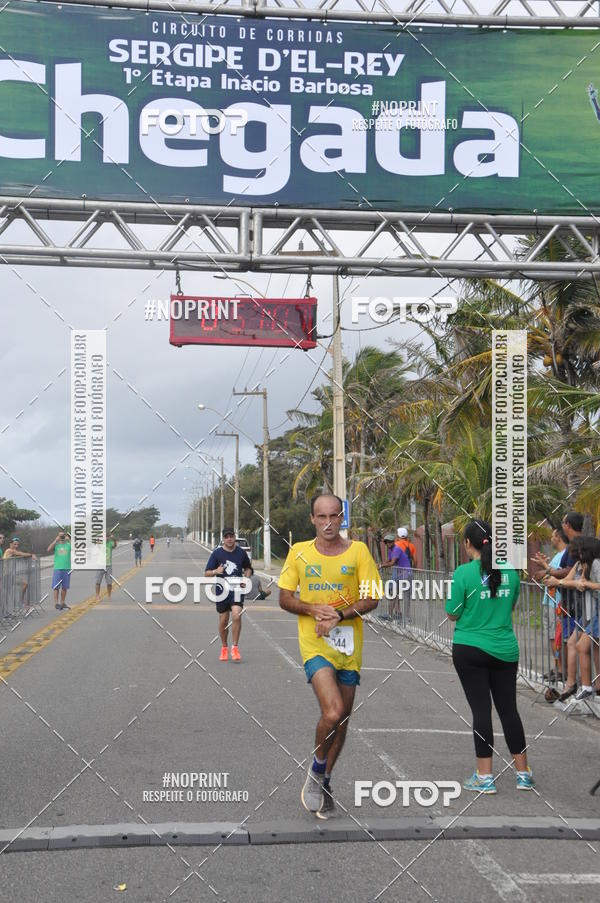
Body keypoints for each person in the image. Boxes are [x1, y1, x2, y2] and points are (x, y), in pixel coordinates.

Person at [278, 493, 381, 819]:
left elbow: (373, 598)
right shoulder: (300, 552)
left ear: (342, 518)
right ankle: (317, 768)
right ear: (312, 519)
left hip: (348, 648)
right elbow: (284, 597)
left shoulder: (359, 551)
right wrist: (311, 608)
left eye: (334, 516)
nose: (328, 523)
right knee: (333, 712)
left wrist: (341, 614)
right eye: (321, 517)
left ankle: (323, 780)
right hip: (315, 644)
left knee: (343, 721)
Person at [445, 519, 533, 794]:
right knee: (509, 711)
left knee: (481, 710)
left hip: (470, 648)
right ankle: (523, 774)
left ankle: (485, 777)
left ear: (468, 544)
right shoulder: (512, 573)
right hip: (505, 649)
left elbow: (453, 612)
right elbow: (511, 606)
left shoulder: (463, 574)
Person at [545, 537, 600, 702]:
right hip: (591, 611)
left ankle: (587, 687)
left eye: (580, 551)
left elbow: (590, 584)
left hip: (594, 610)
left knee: (583, 646)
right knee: (581, 645)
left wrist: (586, 584)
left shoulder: (596, 563)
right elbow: (571, 580)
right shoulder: (584, 564)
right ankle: (585, 686)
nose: (577, 555)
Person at [205, 527, 251, 662]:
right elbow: (206, 573)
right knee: (223, 620)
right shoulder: (217, 554)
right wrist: (215, 571)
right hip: (222, 591)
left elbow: (248, 568)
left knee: (237, 615)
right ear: (223, 539)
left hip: (237, 590)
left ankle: (235, 648)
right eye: (227, 537)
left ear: (234, 537)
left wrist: (246, 579)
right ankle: (224, 647)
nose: (229, 539)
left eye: (231, 536)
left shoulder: (241, 553)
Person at [533, 526, 568, 682]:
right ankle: (557, 668)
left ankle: (562, 670)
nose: (551, 539)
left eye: (553, 536)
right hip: (549, 600)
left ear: (559, 537)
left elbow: (559, 574)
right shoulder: (557, 555)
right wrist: (544, 565)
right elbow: (553, 571)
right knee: (551, 637)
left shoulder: (564, 555)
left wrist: (546, 571)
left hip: (557, 602)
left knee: (556, 636)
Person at [379, 533, 410, 620]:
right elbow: (388, 560)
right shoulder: (391, 550)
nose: (387, 544)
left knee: (397, 594)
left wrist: (381, 566)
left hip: (405, 574)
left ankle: (400, 616)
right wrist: (380, 564)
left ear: (393, 542)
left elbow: (392, 563)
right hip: (399, 574)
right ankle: (397, 613)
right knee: (394, 594)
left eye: (389, 542)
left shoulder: (396, 549)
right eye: (386, 542)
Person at [2, 537, 38, 609]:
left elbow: (21, 554)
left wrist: (28, 556)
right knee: (6, 595)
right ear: (10, 544)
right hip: (6, 575)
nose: (16, 546)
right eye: (14, 544)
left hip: (10, 575)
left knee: (24, 583)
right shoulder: (9, 550)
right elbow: (20, 553)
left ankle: (19, 603)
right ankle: (5, 612)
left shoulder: (13, 551)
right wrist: (31, 555)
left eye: (17, 544)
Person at [47, 531, 72, 610]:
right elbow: (48, 549)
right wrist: (55, 540)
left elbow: (77, 548)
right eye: (60, 535)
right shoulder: (56, 545)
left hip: (67, 568)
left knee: (65, 587)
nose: (62, 537)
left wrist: (69, 540)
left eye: (63, 535)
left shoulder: (68, 545)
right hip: (58, 568)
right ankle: (56, 603)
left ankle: (62, 602)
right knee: (56, 586)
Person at [96, 533, 117, 601]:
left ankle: (109, 596)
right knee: (98, 581)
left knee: (109, 582)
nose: (106, 538)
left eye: (107, 537)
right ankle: (97, 595)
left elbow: (115, 545)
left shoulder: (110, 543)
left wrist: (113, 538)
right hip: (100, 565)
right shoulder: (100, 543)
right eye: (104, 537)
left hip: (108, 565)